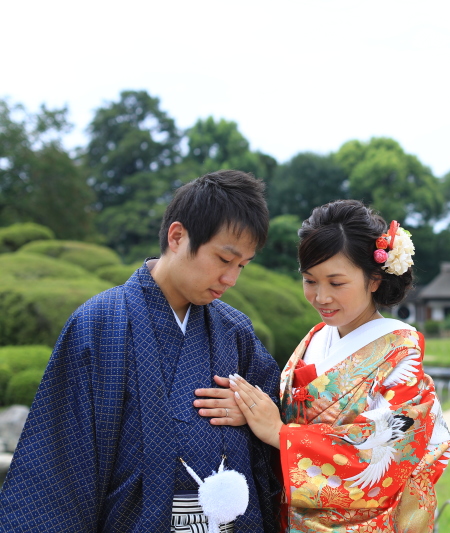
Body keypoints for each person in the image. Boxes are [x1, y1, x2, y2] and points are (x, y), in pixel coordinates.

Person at [0, 170, 282, 532]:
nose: (231, 279)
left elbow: (280, 415)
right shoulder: (99, 323)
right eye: (224, 260)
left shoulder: (235, 330)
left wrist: (256, 412)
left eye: (242, 265)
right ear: (178, 237)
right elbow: (61, 462)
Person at [208, 200, 450, 532]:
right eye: (310, 281)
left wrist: (281, 434)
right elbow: (285, 416)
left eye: (336, 283)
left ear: (374, 280)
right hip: (290, 517)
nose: (321, 297)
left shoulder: (401, 352)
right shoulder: (315, 337)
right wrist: (253, 416)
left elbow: (386, 457)